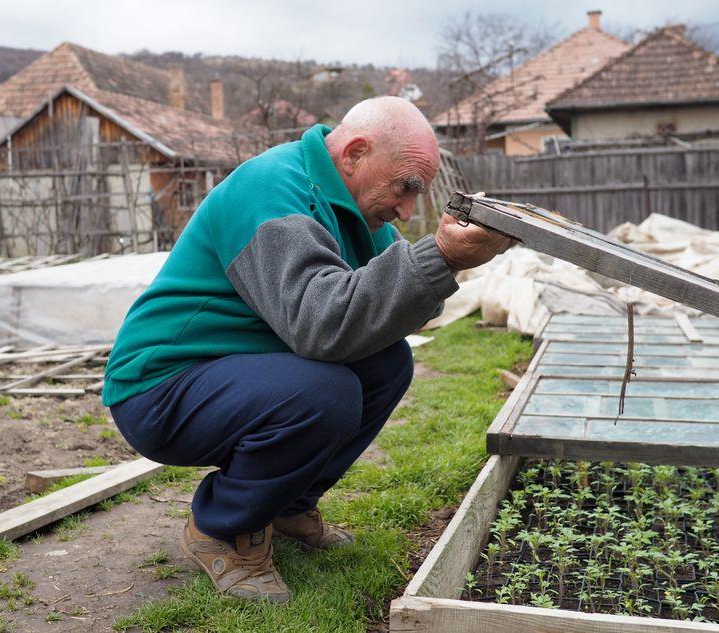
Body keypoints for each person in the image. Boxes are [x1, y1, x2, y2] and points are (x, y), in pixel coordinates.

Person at [102, 97, 512, 603]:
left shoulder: (352, 207)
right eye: (406, 187)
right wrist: (442, 254)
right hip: (161, 385)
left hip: (232, 370)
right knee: (324, 392)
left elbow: (386, 308)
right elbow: (321, 325)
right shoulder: (272, 190)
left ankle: (287, 507)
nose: (408, 210)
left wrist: (444, 259)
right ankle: (223, 529)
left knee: (387, 363)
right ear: (355, 153)